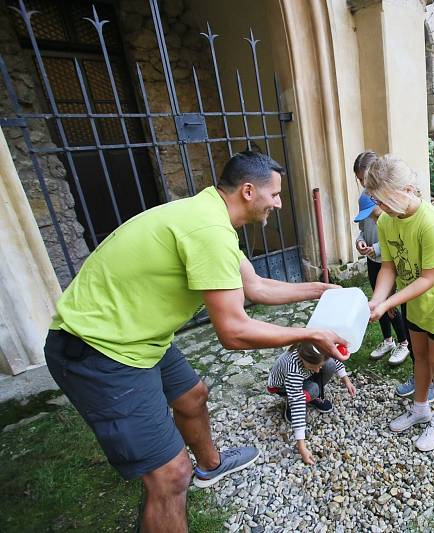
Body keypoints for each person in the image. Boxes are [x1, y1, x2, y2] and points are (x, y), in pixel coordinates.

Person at [43, 151, 346, 532]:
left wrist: (319, 289)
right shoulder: (209, 232)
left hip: (140, 336)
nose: (279, 203)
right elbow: (234, 333)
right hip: (99, 350)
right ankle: (189, 473)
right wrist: (308, 333)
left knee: (192, 395)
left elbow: (254, 286)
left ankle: (211, 466)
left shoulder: (208, 214)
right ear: (249, 191)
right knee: (170, 477)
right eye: (275, 194)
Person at [364, 155, 434, 451]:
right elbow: (388, 267)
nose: (382, 209)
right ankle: (421, 407)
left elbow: (428, 279)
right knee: (419, 357)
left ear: (407, 190)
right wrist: (377, 299)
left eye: (386, 201)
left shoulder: (432, 223)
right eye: (379, 202)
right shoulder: (387, 220)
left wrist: (388, 304)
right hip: (415, 303)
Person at [353, 152, 411, 366]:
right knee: (378, 304)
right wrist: (361, 242)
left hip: (389, 261)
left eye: (364, 178)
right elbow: (362, 227)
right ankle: (388, 340)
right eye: (359, 180)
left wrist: (376, 248)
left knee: (392, 305)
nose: (363, 183)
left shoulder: (387, 209)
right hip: (374, 262)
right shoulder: (365, 200)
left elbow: (394, 240)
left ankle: (404, 342)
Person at [267, 342, 356, 465]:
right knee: (313, 389)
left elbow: (333, 359)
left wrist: (346, 381)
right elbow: (298, 404)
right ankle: (290, 400)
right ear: (303, 359)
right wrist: (302, 447)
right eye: (314, 366)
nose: (318, 370)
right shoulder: (292, 368)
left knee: (329, 365)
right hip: (281, 387)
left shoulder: (316, 348)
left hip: (303, 375)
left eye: (319, 366)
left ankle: (310, 396)